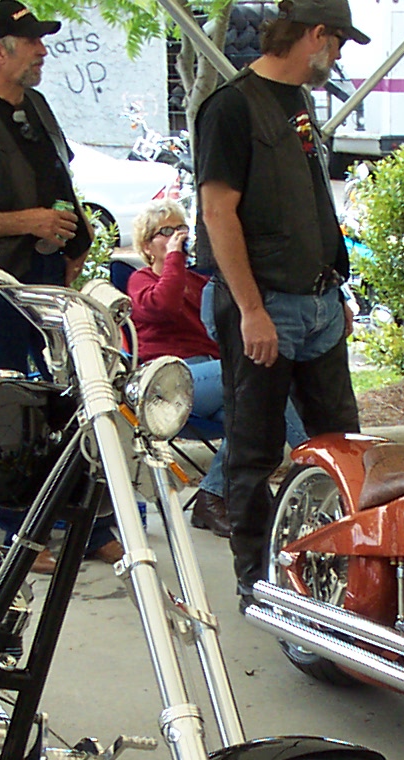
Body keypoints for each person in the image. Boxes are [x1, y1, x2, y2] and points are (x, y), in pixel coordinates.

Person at [0, 0, 115, 570]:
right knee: (5, 409)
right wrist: (29, 222)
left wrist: (76, 239)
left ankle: (90, 527)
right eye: (33, 42)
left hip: (49, 280)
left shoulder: (36, 107)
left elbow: (58, 180)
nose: (43, 51)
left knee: (75, 397)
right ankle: (17, 532)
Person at [195, 0, 365, 606]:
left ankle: (337, 565)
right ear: (316, 35)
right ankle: (256, 581)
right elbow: (218, 213)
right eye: (337, 43)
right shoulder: (231, 106)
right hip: (265, 304)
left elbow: (311, 202)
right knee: (253, 451)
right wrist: (251, 310)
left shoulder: (297, 102)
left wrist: (333, 288)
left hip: (317, 303)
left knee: (341, 444)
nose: (337, 57)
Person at [125, 202, 307, 540]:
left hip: (213, 379)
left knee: (262, 415)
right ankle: (316, 458)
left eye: (181, 229)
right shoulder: (141, 280)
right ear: (147, 246)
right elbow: (164, 306)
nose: (177, 236)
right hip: (166, 384)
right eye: (166, 232)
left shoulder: (199, 280)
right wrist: (175, 258)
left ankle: (212, 496)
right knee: (256, 372)